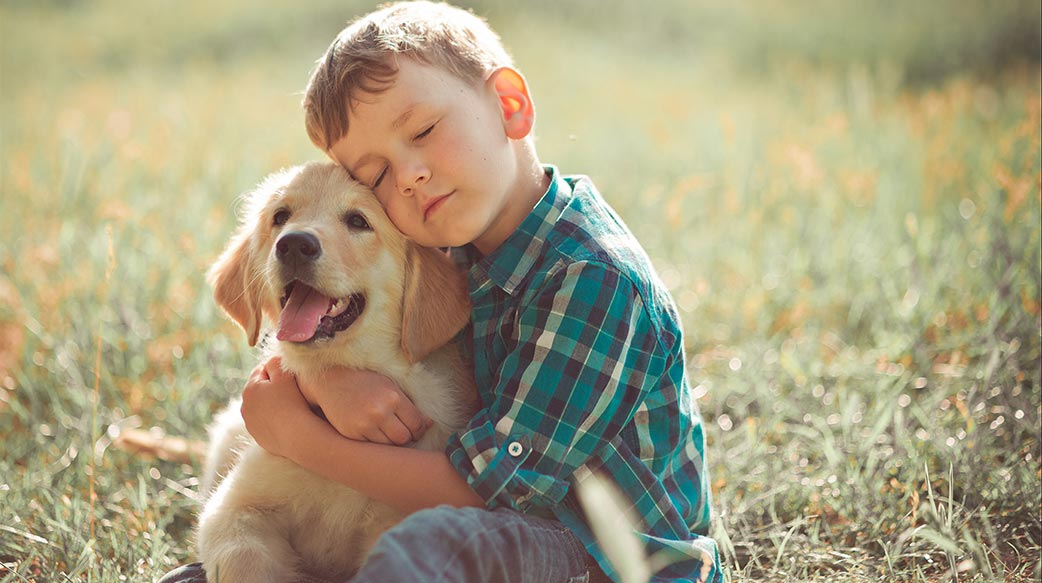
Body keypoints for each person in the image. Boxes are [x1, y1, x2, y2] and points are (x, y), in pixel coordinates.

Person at [159, 2, 722, 582]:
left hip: (600, 557)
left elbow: (488, 493)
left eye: (424, 131)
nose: (408, 176)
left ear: (509, 105)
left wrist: (302, 439)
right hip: (492, 525)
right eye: (376, 175)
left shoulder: (594, 280)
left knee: (428, 541)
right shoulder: (453, 244)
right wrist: (324, 383)